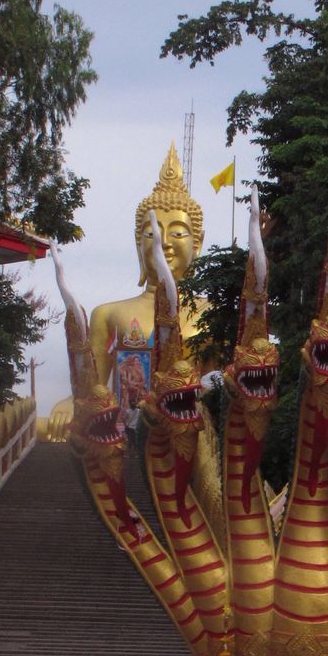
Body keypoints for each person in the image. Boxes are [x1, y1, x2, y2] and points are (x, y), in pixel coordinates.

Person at [46, 144, 204, 440]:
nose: (163, 242)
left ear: (199, 243)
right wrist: (74, 404)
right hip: (120, 434)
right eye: (151, 233)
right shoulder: (108, 314)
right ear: (137, 243)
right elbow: (94, 387)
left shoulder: (213, 314)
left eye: (178, 232)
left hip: (187, 433)